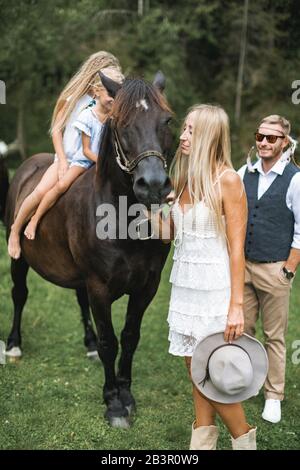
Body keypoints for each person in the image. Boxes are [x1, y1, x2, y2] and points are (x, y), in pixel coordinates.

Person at [147, 104, 256, 450]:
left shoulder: (228, 181)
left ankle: (244, 441)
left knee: (213, 374)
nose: (182, 135)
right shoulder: (183, 178)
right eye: (184, 129)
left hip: (215, 291)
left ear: (209, 134)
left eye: (191, 130)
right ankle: (202, 444)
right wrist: (149, 207)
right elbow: (168, 233)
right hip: (185, 288)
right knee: (196, 371)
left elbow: (238, 249)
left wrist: (236, 306)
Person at [8, 51, 122, 259]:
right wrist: (61, 160)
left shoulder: (109, 105)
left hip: (90, 161)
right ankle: (16, 230)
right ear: (96, 79)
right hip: (69, 158)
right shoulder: (72, 100)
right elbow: (56, 130)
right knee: (41, 191)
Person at [237, 115, 300, 424]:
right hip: (243, 268)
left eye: (271, 138)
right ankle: (249, 382)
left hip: (275, 268)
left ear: (284, 143)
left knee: (274, 336)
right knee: (244, 331)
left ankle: (274, 395)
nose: (263, 142)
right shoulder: (244, 172)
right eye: (260, 136)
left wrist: (288, 270)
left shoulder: (295, 178)